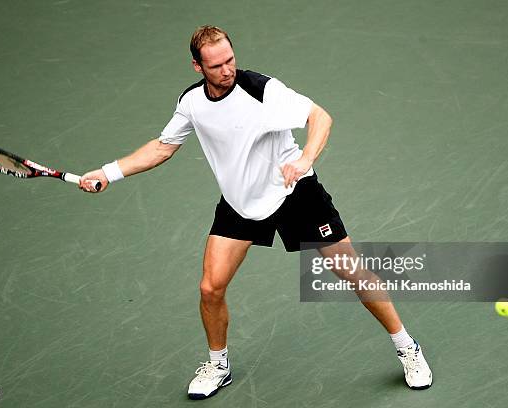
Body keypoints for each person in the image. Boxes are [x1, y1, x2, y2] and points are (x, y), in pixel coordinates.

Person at [80, 25, 433, 400]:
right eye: (215, 65)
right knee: (210, 288)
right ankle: (219, 364)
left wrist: (304, 158)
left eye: (230, 59)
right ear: (197, 67)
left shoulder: (262, 90)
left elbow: (321, 118)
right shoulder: (191, 103)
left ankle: (407, 347)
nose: (227, 70)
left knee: (354, 274)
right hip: (240, 203)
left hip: (294, 192)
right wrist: (108, 172)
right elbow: (163, 147)